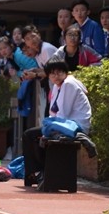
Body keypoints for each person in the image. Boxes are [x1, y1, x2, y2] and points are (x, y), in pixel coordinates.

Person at [23, 59, 92, 187]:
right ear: (48, 75)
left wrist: (48, 130)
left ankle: (40, 172)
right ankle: (34, 174)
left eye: (59, 72)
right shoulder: (56, 86)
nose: (56, 76)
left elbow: (63, 113)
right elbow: (53, 113)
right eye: (52, 73)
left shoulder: (68, 84)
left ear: (65, 73)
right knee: (31, 135)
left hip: (75, 126)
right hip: (64, 124)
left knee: (31, 135)